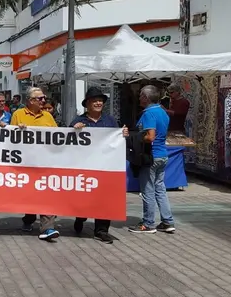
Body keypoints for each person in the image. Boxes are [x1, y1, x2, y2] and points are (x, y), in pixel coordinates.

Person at [70, 87, 129, 244]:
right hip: (85, 167)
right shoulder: (78, 121)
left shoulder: (110, 121)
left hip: (105, 167)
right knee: (84, 198)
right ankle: (80, 217)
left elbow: (117, 141)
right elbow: (67, 144)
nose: (98, 103)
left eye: (100, 101)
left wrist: (123, 135)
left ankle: (101, 230)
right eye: (94, 101)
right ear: (87, 104)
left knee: (105, 198)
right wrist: (73, 131)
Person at [12, 87, 60, 241]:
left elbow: (58, 137)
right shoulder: (18, 115)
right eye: (40, 99)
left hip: (45, 163)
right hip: (25, 163)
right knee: (30, 195)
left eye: (44, 98)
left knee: (47, 194)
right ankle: (28, 219)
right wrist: (17, 131)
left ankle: (48, 228)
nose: (44, 101)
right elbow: (8, 139)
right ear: (30, 101)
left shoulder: (48, 116)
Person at [129, 85, 175, 234]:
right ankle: (167, 221)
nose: (139, 98)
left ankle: (148, 223)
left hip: (150, 156)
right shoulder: (162, 112)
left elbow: (150, 136)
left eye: (141, 95)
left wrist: (133, 137)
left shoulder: (149, 113)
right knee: (160, 189)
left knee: (147, 190)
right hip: (162, 154)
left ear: (146, 98)